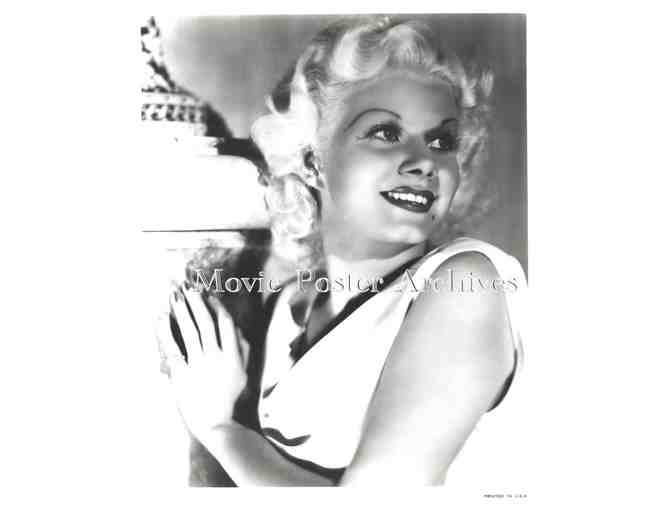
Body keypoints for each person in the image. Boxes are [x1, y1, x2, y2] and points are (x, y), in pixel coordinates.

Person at [156, 16, 526, 486]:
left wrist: (223, 430)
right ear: (313, 158)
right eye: (386, 133)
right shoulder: (287, 310)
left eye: (441, 142)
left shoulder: (468, 284)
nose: (424, 163)